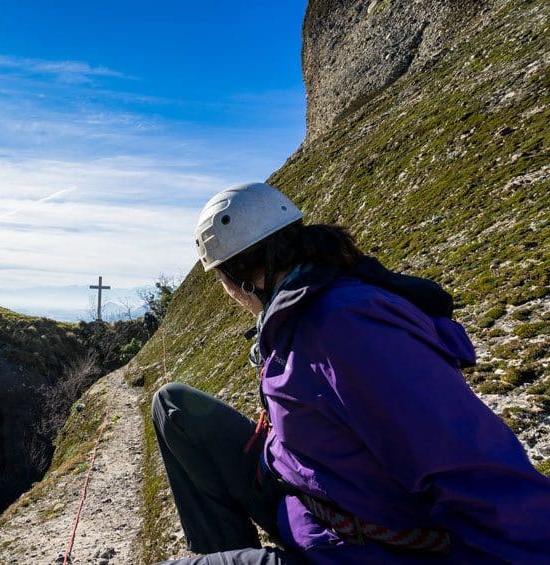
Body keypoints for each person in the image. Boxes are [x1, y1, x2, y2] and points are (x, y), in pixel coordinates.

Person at [152, 182, 550, 564]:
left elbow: (475, 471)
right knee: (172, 405)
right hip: (302, 497)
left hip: (350, 547)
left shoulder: (345, 328)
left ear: (238, 278)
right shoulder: (304, 309)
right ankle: (226, 552)